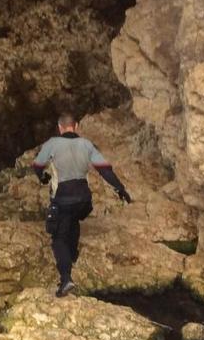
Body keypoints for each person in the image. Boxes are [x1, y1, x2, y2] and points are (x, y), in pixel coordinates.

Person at [32, 113, 131, 297]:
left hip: (62, 198)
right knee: (73, 221)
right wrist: (120, 189)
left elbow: (37, 166)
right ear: (76, 126)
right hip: (84, 200)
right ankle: (72, 255)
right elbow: (105, 170)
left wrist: (43, 177)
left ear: (60, 127)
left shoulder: (52, 144)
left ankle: (66, 278)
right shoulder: (87, 145)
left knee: (58, 238)